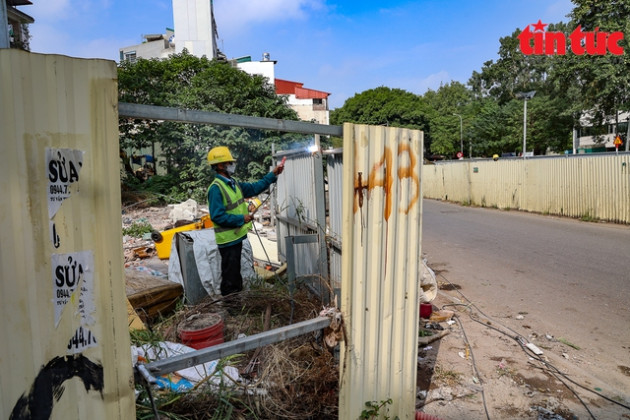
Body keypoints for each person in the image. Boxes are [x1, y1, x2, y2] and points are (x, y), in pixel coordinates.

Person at [207, 146, 284, 297]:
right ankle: (231, 308)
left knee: (235, 274)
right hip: (227, 240)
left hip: (235, 237)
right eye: (229, 162)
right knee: (230, 277)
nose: (232, 164)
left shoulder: (233, 183)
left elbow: (254, 188)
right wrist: (241, 218)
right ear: (221, 165)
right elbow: (217, 216)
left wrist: (272, 174)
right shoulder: (216, 188)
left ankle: (236, 303)